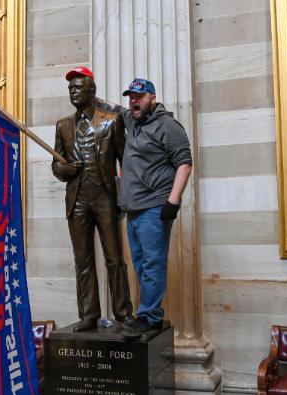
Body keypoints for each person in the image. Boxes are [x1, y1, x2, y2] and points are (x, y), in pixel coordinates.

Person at [51, 66, 134, 332]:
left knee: (114, 258)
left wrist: (126, 200)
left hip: (105, 199)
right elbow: (56, 166)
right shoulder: (63, 125)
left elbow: (126, 164)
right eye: (70, 88)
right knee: (83, 261)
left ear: (92, 90)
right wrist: (65, 169)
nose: (73, 91)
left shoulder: (111, 121)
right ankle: (89, 314)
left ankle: (123, 313)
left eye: (78, 87)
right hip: (77, 203)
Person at [114, 78, 193, 338]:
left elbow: (184, 163)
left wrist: (173, 201)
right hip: (133, 209)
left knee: (152, 263)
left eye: (139, 96)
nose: (134, 100)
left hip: (154, 207)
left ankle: (148, 316)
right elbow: (113, 109)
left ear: (152, 98)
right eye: (131, 96)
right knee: (140, 264)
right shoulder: (132, 121)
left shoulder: (167, 125)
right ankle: (151, 314)